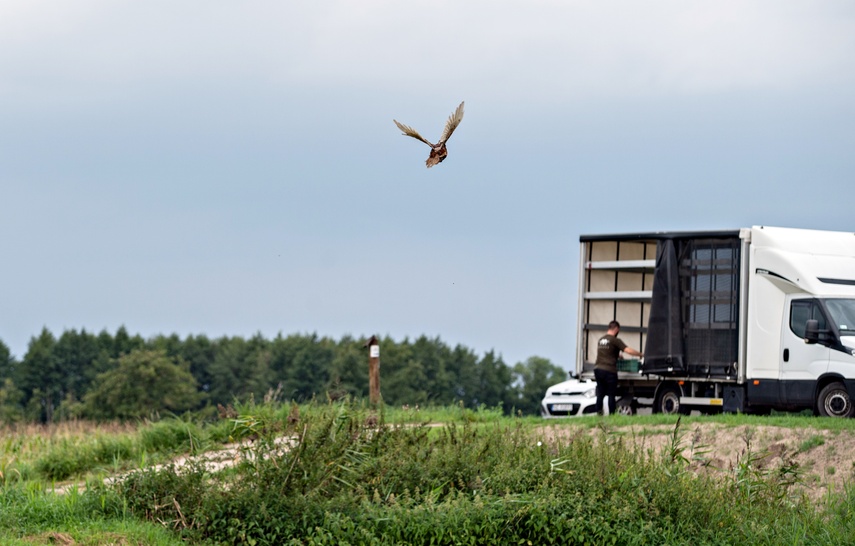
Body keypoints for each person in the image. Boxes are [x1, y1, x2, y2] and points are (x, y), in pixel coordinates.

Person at [594, 320, 643, 415]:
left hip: (598, 369)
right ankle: (612, 415)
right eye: (618, 330)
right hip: (609, 371)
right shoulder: (615, 340)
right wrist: (640, 354)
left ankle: (599, 415)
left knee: (600, 394)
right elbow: (628, 350)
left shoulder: (601, 340)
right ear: (616, 329)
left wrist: (618, 356)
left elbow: (607, 353)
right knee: (611, 395)